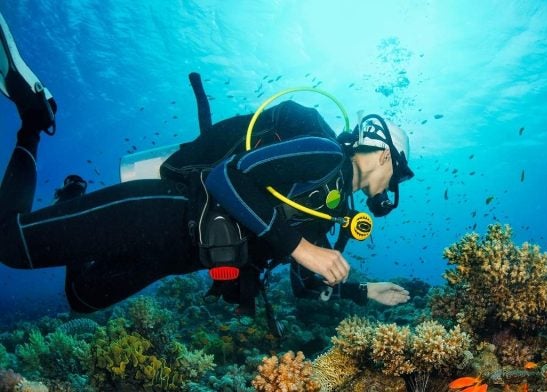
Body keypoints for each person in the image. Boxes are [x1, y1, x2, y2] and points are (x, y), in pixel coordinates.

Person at [0, 12, 412, 331]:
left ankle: (70, 198)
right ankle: (34, 120)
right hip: (166, 213)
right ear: (384, 157)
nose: (392, 186)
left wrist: (363, 291)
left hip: (172, 258)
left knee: (81, 298)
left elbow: (306, 287)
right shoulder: (324, 154)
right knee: (9, 245)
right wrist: (302, 249)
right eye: (398, 173)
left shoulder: (332, 211)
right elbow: (227, 177)